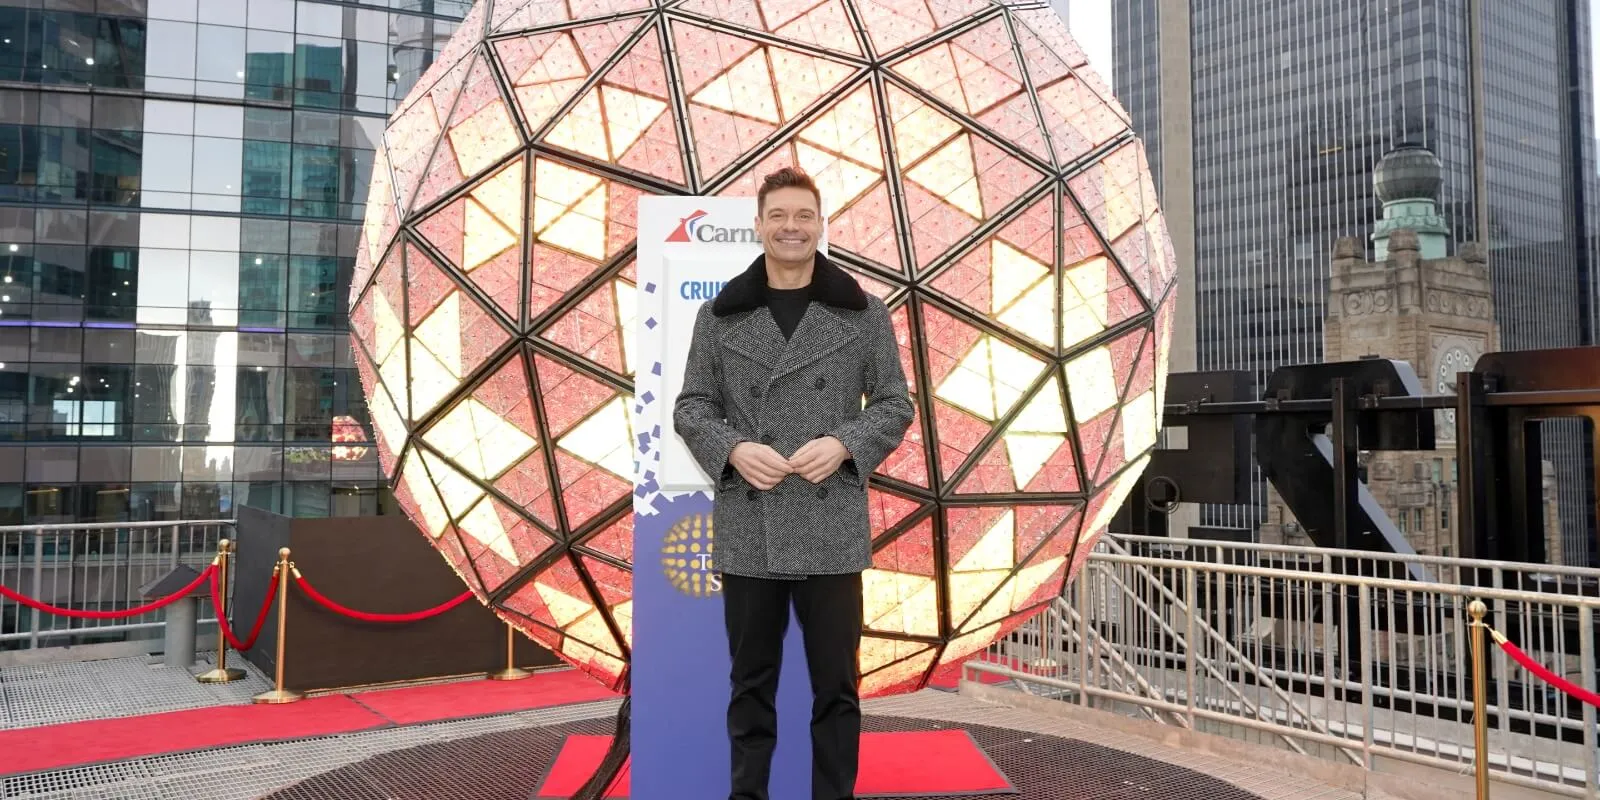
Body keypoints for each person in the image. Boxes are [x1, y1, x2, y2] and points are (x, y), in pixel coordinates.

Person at [673, 167, 915, 800]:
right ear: (757, 225)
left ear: (819, 224)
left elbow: (894, 404)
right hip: (750, 525)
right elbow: (691, 406)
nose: (790, 227)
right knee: (751, 683)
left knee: (836, 686)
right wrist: (734, 449)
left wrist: (843, 444)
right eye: (778, 216)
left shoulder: (862, 314)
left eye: (802, 216)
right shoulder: (720, 314)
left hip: (831, 523)